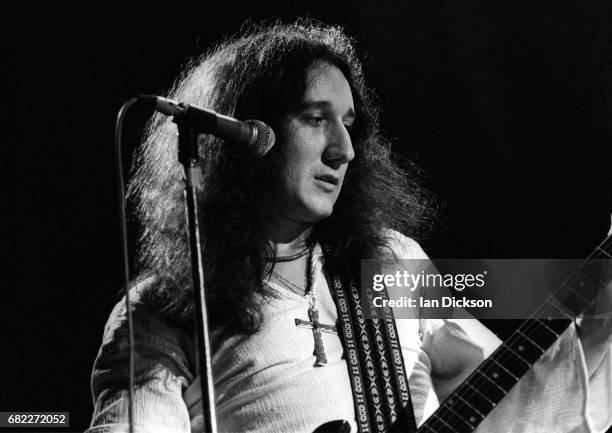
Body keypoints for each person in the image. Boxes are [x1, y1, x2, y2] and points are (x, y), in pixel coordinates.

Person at [87, 21, 612, 433]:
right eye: (317, 118)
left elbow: (520, 406)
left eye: (349, 123)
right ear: (248, 133)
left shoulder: (392, 262)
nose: (345, 149)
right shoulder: (166, 309)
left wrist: (601, 318)